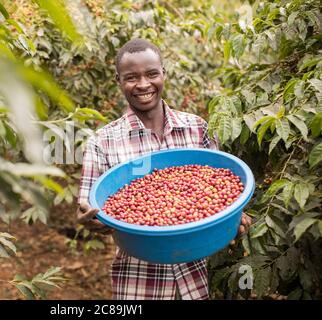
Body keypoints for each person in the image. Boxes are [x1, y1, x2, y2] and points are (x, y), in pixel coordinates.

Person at [76, 38, 251, 300]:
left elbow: (223, 190)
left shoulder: (197, 128)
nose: (144, 84)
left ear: (164, 74)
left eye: (151, 74)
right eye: (132, 77)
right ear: (118, 80)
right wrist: (88, 219)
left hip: (195, 276)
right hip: (139, 282)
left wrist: (234, 217)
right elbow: (87, 204)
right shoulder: (102, 141)